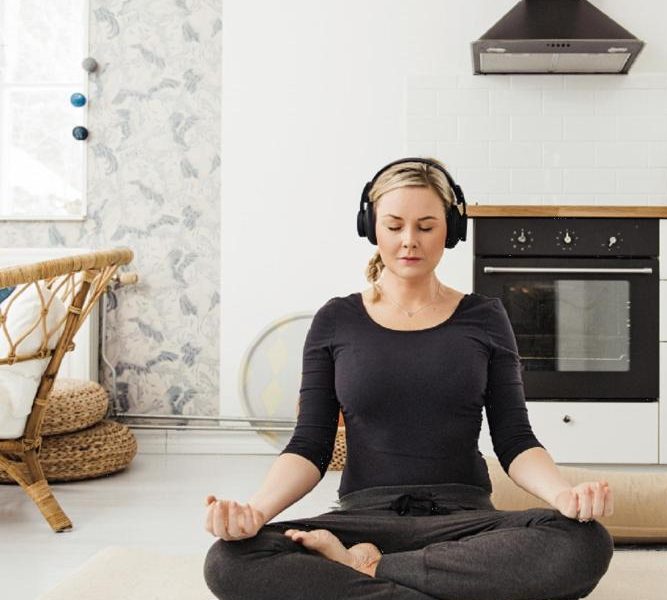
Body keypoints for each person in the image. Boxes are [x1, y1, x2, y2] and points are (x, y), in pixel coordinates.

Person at [203, 158, 615, 600]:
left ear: (451, 230)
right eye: (395, 225)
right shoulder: (335, 320)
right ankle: (428, 584)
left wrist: (562, 496)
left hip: (464, 523)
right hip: (364, 516)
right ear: (371, 226)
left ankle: (366, 568)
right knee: (230, 559)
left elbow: (515, 440)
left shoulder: (485, 317)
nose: (408, 241)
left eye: (426, 226)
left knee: (583, 542)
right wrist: (255, 511)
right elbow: (309, 446)